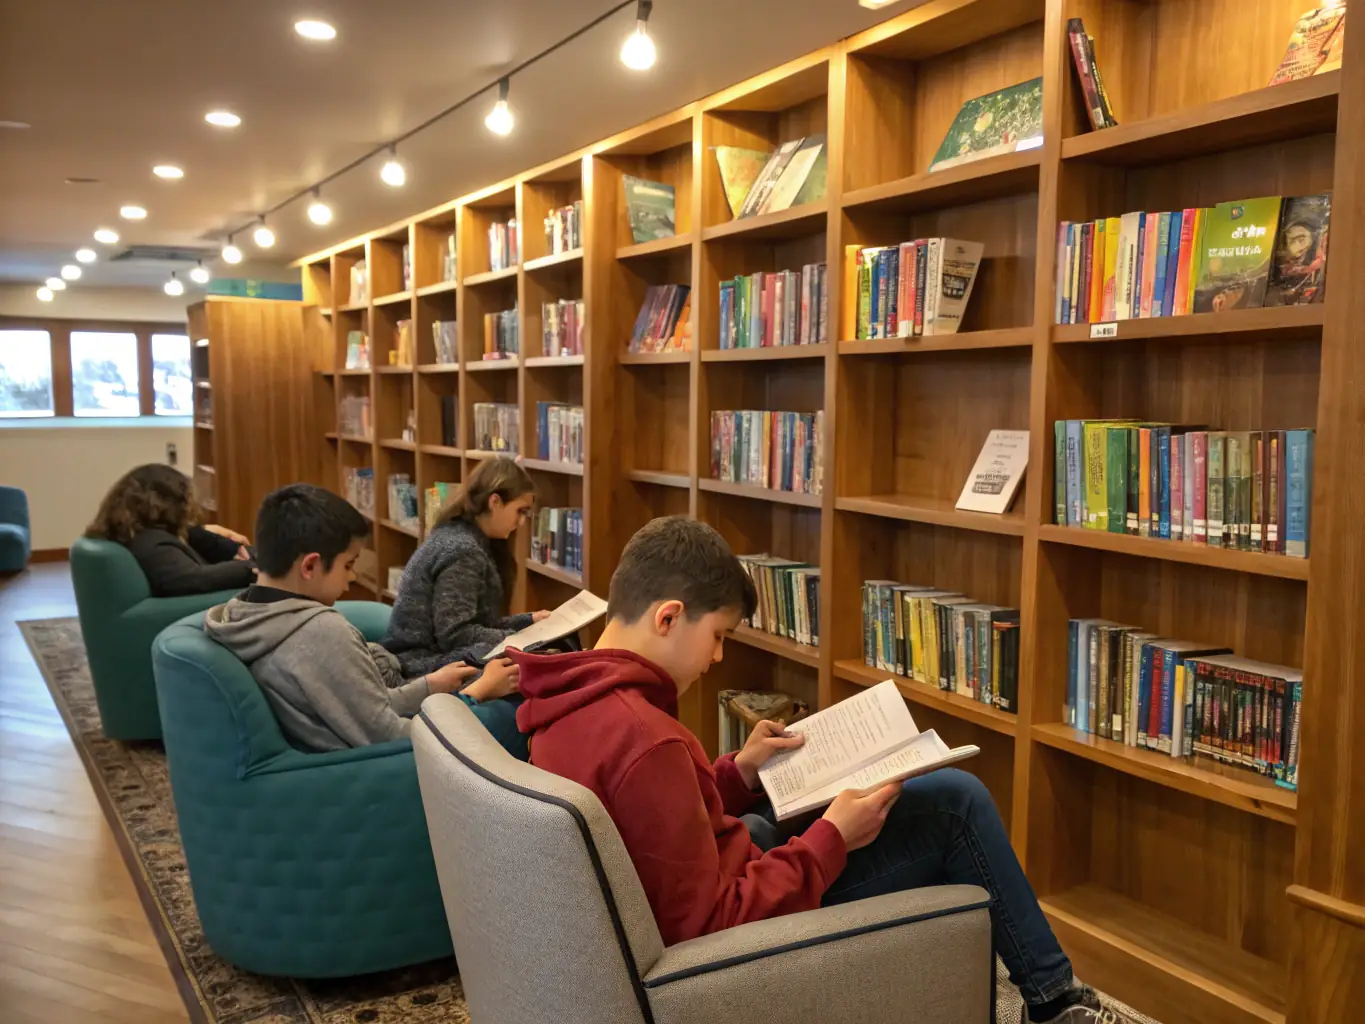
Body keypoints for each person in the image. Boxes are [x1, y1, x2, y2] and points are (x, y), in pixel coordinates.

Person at [513, 516, 1108, 1023]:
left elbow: (651, 818)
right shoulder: (645, 737)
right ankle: (1056, 1001)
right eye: (716, 636)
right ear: (668, 617)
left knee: (881, 798)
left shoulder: (572, 696)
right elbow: (712, 923)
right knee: (955, 803)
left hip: (727, 868)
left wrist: (736, 774)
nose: (718, 657)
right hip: (742, 932)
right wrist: (831, 841)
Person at [204, 483, 525, 757]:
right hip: (387, 765)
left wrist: (430, 685)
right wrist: (478, 693)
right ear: (310, 566)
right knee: (518, 711)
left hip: (351, 750)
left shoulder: (247, 614)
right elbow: (392, 736)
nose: (351, 578)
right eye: (348, 565)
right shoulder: (320, 633)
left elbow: (363, 706)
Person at [385, 456, 549, 677]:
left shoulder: (460, 536)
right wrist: (517, 638)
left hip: (429, 655)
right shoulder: (463, 550)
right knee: (529, 667)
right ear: (495, 502)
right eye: (520, 511)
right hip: (419, 665)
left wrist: (528, 621)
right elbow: (454, 633)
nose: (521, 522)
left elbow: (476, 622)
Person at [86, 463, 256, 597]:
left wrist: (252, 556)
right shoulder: (150, 543)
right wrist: (249, 568)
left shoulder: (140, 532)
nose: (189, 508)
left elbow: (207, 541)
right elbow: (192, 579)